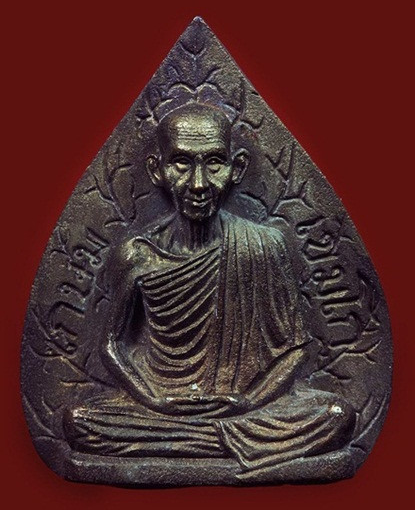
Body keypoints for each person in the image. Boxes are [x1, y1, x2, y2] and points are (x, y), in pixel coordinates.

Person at [64, 103, 355, 473]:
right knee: (79, 421)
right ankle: (227, 443)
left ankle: (191, 443)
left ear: (237, 168)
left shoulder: (263, 245)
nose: (199, 183)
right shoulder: (138, 253)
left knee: (335, 415)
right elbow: (111, 344)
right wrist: (154, 400)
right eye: (182, 163)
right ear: (157, 170)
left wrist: (249, 402)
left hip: (245, 406)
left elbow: (295, 350)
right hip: (160, 407)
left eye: (214, 162)